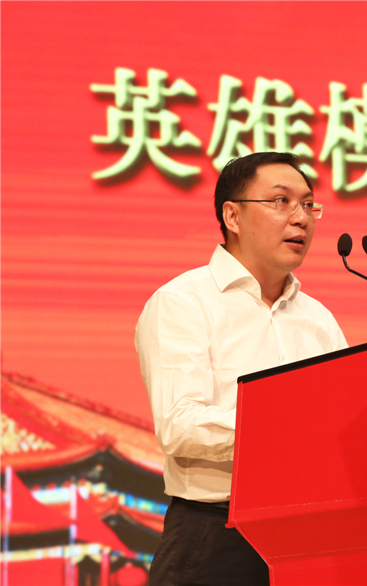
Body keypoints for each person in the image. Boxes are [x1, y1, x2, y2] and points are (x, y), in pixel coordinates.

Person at [135, 152, 347, 585]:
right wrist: (287, 431)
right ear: (232, 215)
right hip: (216, 536)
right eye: (281, 201)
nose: (301, 218)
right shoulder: (184, 302)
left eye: (309, 205)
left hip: (309, 535)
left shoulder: (319, 319)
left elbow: (345, 419)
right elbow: (179, 424)